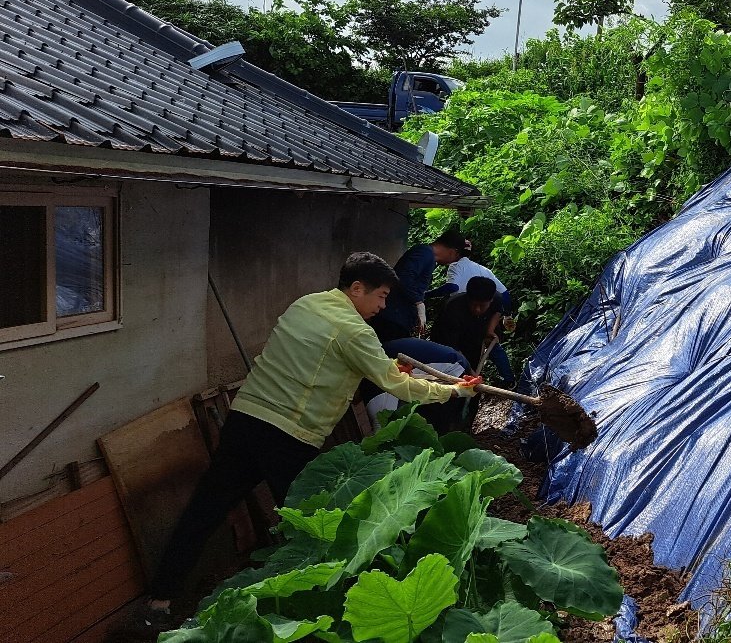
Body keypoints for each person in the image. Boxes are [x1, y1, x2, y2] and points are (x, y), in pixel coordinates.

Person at [129, 253, 477, 635]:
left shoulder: (305, 304)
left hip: (244, 420)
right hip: (287, 437)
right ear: (356, 288)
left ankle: (158, 603)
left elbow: (332, 360)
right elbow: (398, 387)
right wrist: (453, 391)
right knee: (316, 530)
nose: (382, 306)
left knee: (205, 510)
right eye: (379, 296)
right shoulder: (355, 331)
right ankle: (328, 610)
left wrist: (388, 369)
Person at [431, 277, 517, 431]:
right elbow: (453, 351)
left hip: (474, 343)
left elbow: (498, 311)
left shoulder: (495, 298)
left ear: (489, 301)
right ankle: (444, 428)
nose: (477, 309)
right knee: (453, 387)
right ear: (467, 298)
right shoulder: (453, 309)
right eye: (474, 305)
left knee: (473, 389)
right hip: (446, 353)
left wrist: (490, 330)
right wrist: (469, 371)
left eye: (482, 306)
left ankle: (466, 428)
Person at [368, 229, 468, 342]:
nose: (452, 262)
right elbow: (403, 277)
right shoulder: (424, 253)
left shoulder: (428, 257)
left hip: (399, 319)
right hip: (392, 318)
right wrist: (418, 302)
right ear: (453, 252)